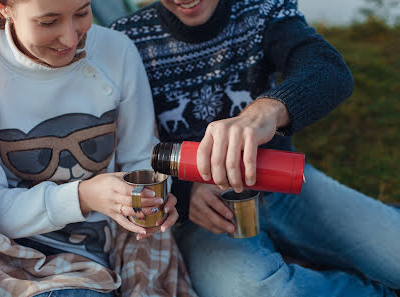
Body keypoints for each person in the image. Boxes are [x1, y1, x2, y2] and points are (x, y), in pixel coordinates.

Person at [110, 0, 400, 296]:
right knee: (257, 290)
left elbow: (328, 68)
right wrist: (184, 194)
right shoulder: (126, 38)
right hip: (208, 216)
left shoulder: (261, 9)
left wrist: (267, 111)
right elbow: (124, 149)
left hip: (288, 189)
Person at [0, 0, 197, 296]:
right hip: (10, 257)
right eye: (48, 22)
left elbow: (141, 158)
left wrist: (151, 198)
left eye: (82, 13)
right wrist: (83, 197)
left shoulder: (116, 50)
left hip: (104, 246)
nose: (71, 38)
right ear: (5, 6)